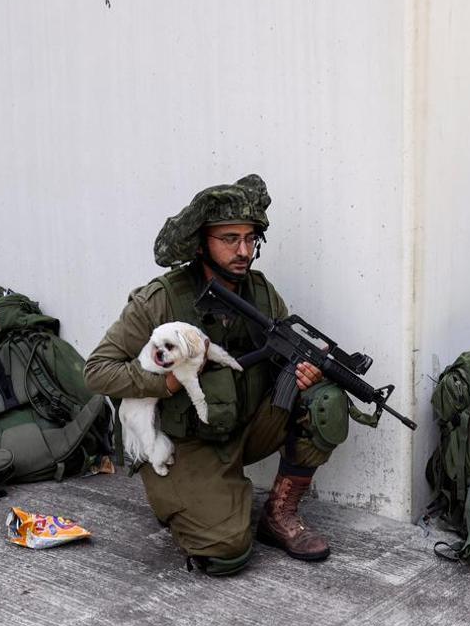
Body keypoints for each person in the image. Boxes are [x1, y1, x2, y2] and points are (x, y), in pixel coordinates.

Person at [84, 174, 350, 576]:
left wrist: (303, 373)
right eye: (229, 239)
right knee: (226, 552)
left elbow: (282, 364)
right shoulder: (162, 299)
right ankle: (196, 497)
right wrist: (167, 382)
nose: (243, 250)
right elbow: (97, 370)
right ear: (201, 243)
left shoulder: (260, 292)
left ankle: (278, 513)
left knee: (324, 401)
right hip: (183, 442)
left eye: (250, 238)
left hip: (241, 427)